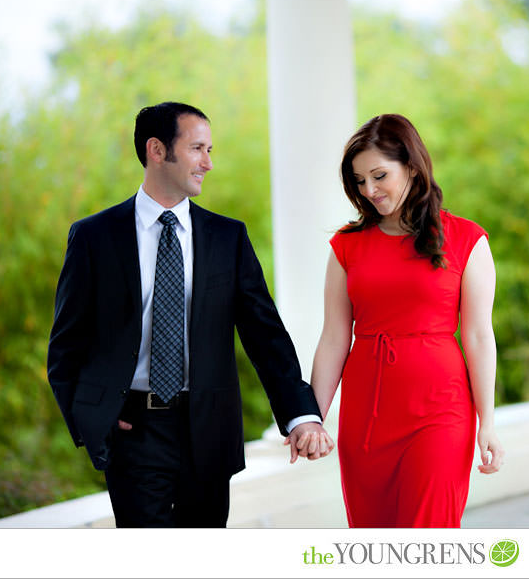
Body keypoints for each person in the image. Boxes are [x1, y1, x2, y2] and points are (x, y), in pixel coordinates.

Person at [47, 101, 333, 527]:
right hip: (133, 432)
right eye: (198, 148)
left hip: (209, 431)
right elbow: (66, 347)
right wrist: (93, 419)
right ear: (157, 150)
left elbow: (265, 336)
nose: (208, 163)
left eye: (210, 150)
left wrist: (301, 415)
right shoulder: (94, 237)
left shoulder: (227, 237)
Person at [310, 113, 504, 528]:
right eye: (360, 181)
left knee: (427, 537)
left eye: (380, 175)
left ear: (413, 167)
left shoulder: (467, 239)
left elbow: (477, 336)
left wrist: (487, 421)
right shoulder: (346, 245)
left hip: (440, 411)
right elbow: (333, 338)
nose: (370, 190)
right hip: (367, 415)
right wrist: (312, 417)